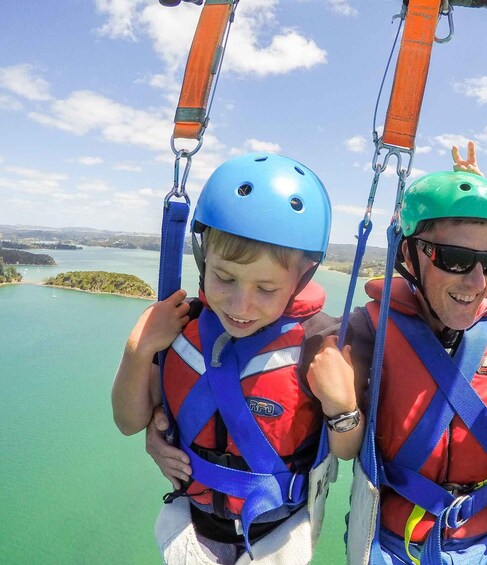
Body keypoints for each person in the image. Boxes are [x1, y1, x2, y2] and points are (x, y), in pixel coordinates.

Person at [111, 152, 361, 565]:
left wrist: (342, 408)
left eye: (266, 288)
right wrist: (137, 350)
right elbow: (129, 422)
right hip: (192, 524)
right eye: (224, 277)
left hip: (278, 534)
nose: (241, 304)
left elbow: (347, 450)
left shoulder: (320, 342)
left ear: (301, 280)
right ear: (203, 260)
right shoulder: (176, 326)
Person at [336, 145, 487, 565]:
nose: (477, 280)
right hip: (396, 549)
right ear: (409, 255)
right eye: (456, 258)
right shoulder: (367, 334)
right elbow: (336, 444)